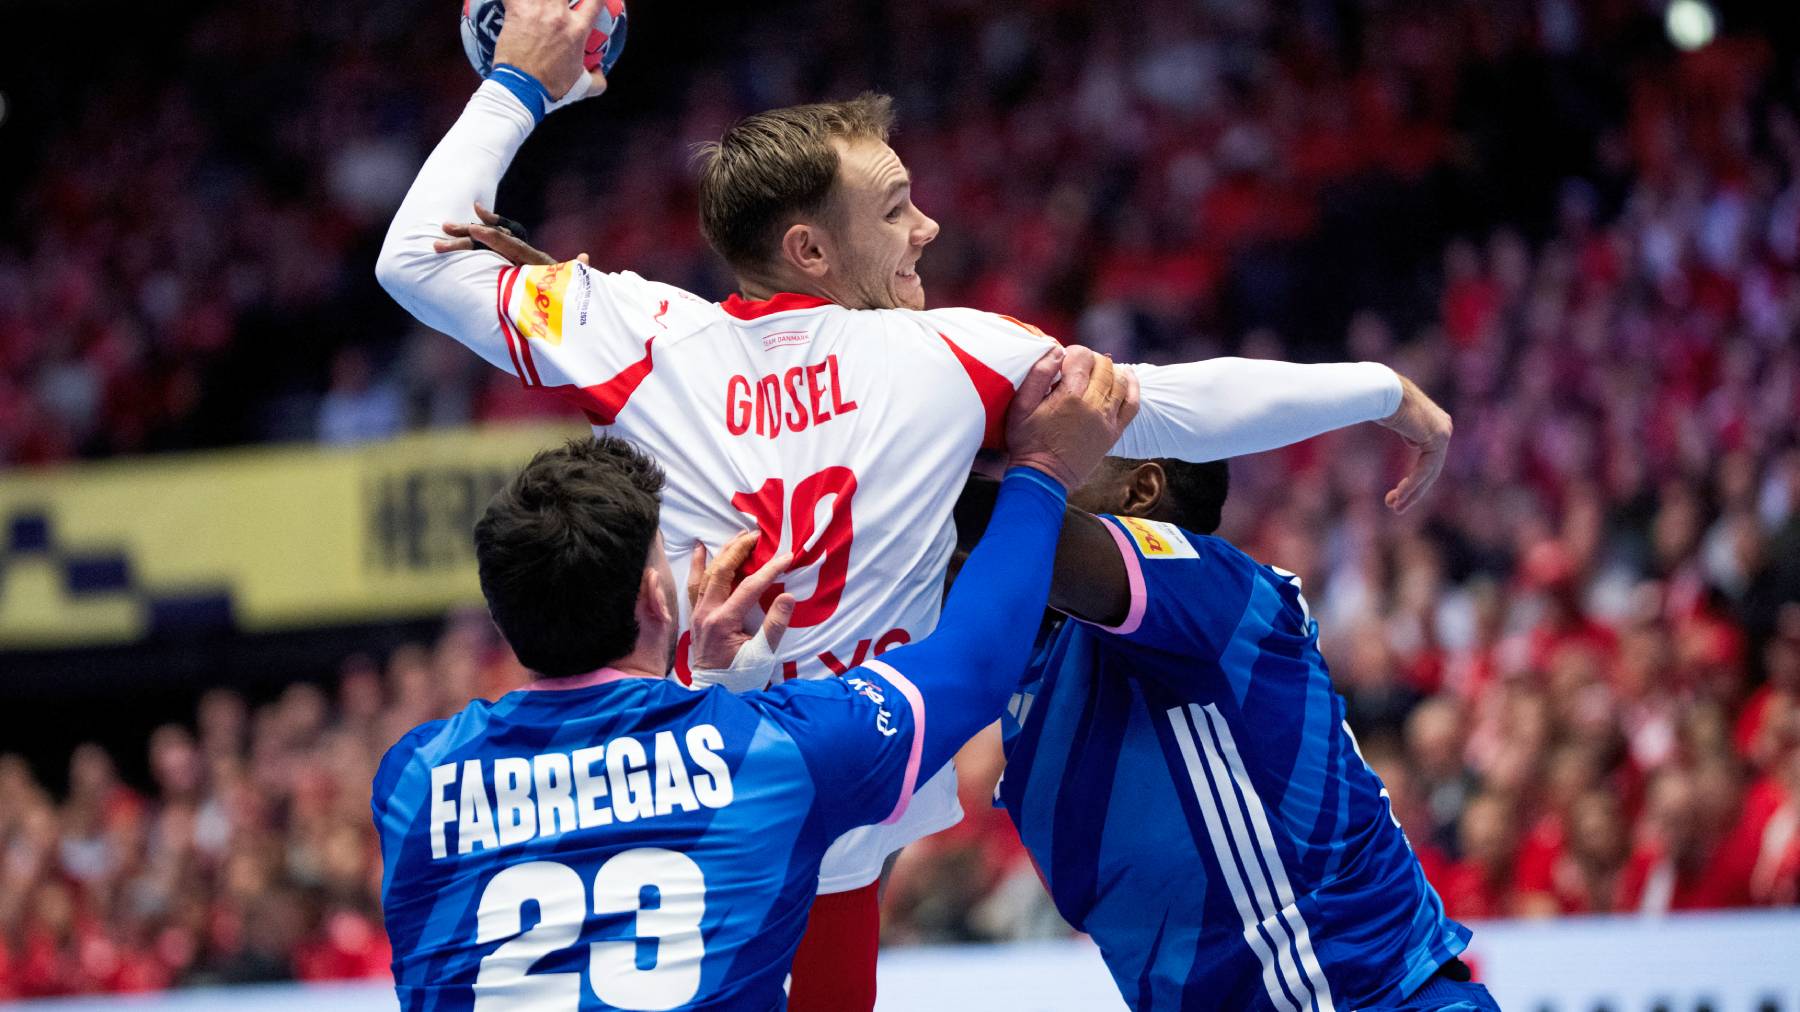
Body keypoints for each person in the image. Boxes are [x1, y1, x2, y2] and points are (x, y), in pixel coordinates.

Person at [373, 0, 1454, 1004]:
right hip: (848, 769)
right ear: (811, 248)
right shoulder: (952, 354)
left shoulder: (636, 333)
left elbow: (414, 256)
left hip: (696, 764)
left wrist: (518, 83)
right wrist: (1379, 389)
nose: (928, 227)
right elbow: (1171, 409)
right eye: (895, 208)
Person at [373, 346, 1137, 1009]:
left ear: (502, 618)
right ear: (654, 594)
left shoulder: (411, 779)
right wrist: (1041, 472)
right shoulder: (770, 754)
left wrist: (711, 692)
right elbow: (973, 663)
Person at [949, 456, 1494, 1011]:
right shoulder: (1040, 652)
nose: (1035, 472)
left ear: (1142, 494)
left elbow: (1015, 527)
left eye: (1065, 461)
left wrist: (916, 470)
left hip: (1374, 998)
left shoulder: (1209, 583)